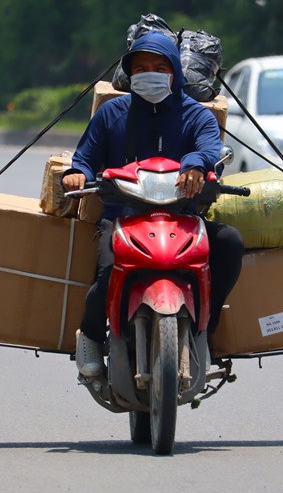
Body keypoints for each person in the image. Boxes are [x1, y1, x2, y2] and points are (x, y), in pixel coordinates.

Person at [62, 31, 244, 378]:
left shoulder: (197, 116)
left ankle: (207, 328)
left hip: (182, 217)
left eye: (160, 67)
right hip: (123, 217)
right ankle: (89, 337)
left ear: (175, 72)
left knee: (229, 243)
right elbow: (85, 156)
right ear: (130, 74)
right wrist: (76, 173)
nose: (150, 73)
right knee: (106, 275)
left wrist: (195, 164)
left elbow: (208, 148)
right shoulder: (112, 113)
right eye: (141, 67)